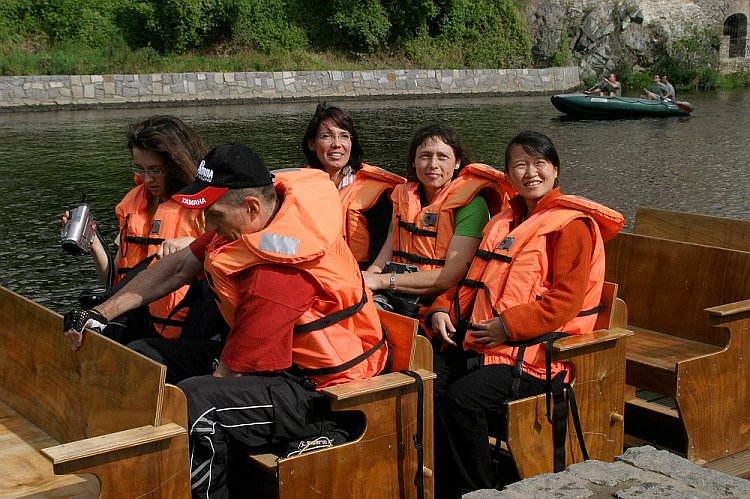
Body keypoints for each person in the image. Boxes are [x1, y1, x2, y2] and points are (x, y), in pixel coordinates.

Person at [63, 144, 388, 498]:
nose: (208, 227)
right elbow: (177, 267)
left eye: (214, 215)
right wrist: (100, 313)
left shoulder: (277, 274)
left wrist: (176, 405)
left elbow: (230, 374)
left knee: (198, 402)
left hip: (324, 393)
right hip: (278, 369)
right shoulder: (254, 224)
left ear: (250, 207)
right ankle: (136, 473)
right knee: (146, 355)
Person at [425, 131, 624, 498]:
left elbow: (564, 302)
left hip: (539, 355)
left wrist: (507, 327)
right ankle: (443, 480)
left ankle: (477, 490)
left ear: (555, 170)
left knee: (462, 400)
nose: (530, 172)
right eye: (520, 164)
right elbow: (474, 279)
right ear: (509, 175)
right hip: (488, 342)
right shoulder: (504, 221)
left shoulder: (571, 226)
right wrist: (440, 308)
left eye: (539, 163)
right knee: (426, 382)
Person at [62, 115, 207, 341]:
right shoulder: (133, 204)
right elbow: (116, 279)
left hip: (183, 329)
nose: (147, 179)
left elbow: (224, 259)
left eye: (155, 170)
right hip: (135, 320)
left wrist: (193, 246)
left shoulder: (203, 207)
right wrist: (93, 244)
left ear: (176, 164)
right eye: (140, 169)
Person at [363, 123, 513, 329]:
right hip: (397, 295)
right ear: (414, 162)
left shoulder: (471, 205)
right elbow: (381, 261)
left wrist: (381, 282)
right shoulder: (405, 199)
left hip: (440, 300)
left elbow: (450, 276)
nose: (433, 164)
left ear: (457, 162)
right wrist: (366, 284)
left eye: (442, 157)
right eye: (425, 156)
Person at [302, 102, 405, 269]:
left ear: (352, 143)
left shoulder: (376, 193)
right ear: (312, 144)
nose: (337, 144)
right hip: (313, 271)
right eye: (326, 136)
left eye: (344, 136)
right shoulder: (297, 189)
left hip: (360, 273)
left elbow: (381, 250)